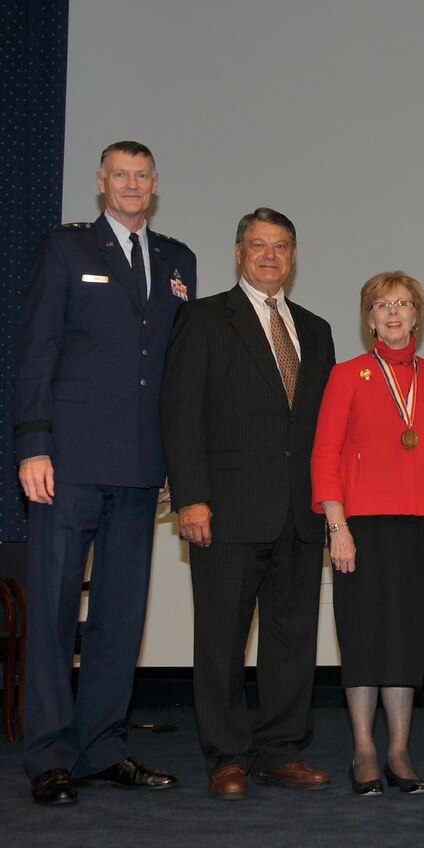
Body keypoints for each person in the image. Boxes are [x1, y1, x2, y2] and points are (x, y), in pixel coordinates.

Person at [15, 140, 195, 805]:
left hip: (143, 465)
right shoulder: (66, 249)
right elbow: (37, 349)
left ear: (154, 183)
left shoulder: (178, 259)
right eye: (120, 175)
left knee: (120, 615)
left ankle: (102, 748)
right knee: (57, 611)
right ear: (101, 183)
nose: (131, 184)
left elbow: (175, 373)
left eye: (142, 175)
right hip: (69, 463)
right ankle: (50, 755)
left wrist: (179, 464)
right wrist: (34, 445)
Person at [161, 208, 335, 800]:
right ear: (238, 253)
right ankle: (227, 757)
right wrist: (191, 498)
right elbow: (181, 413)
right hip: (226, 511)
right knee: (221, 640)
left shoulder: (316, 329)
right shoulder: (205, 317)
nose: (270, 256)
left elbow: (324, 430)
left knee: (293, 639)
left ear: (293, 256)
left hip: (300, 513)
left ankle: (280, 751)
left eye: (281, 246)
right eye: (258, 245)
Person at [312, 272, 424, 796]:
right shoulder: (346, 375)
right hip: (359, 527)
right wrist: (338, 527)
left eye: (403, 304)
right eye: (382, 305)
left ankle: (399, 750)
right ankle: (364, 749)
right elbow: (326, 455)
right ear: (369, 318)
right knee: (361, 639)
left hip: (422, 526)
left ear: (417, 315)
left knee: (404, 641)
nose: (394, 313)